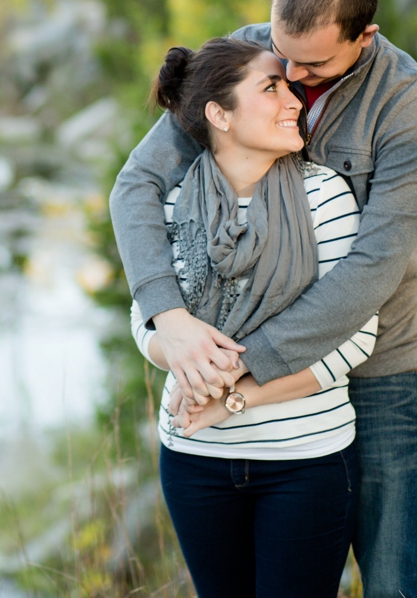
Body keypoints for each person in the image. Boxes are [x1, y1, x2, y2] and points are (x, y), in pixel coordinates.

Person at [111, 0, 417, 598]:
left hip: (380, 365)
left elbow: (374, 267)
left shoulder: (407, 106)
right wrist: (169, 322)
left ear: (365, 36)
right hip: (246, 417)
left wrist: (244, 364)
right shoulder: (247, 63)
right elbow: (137, 186)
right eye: (281, 54)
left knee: (393, 574)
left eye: (312, 63)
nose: (290, 76)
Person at [134, 35, 376, 598]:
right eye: (271, 88)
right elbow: (144, 317)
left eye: (289, 87)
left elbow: (354, 337)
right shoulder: (173, 203)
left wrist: (233, 396)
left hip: (305, 463)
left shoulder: (326, 198)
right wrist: (187, 356)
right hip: (193, 462)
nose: (294, 100)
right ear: (219, 114)